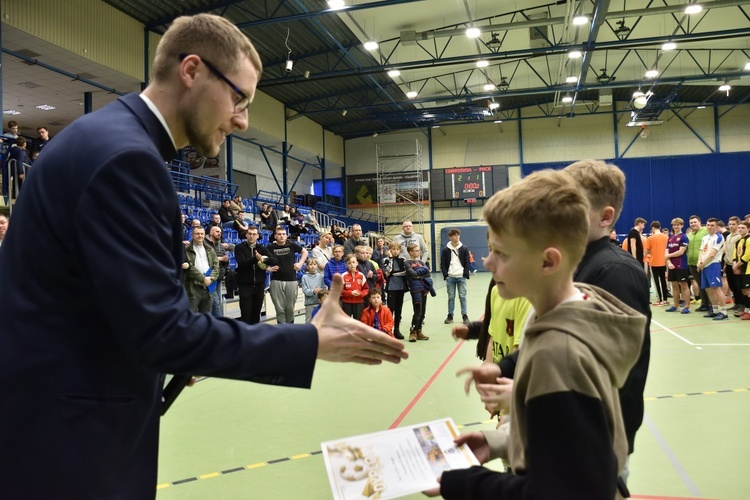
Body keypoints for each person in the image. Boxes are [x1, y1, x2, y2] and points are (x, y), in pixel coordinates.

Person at [0, 14, 407, 499]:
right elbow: (160, 333)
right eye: (239, 97)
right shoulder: (128, 161)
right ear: (191, 70)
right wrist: (308, 342)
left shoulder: (102, 139)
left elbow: (102, 312)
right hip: (69, 448)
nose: (242, 119)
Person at [438, 168, 646, 499]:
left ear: (548, 262)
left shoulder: (558, 351)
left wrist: (465, 484)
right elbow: (571, 441)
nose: (489, 263)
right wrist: (499, 441)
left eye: (501, 253)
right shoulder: (567, 314)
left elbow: (566, 491)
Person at [267, 225, 307, 324]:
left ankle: (290, 330)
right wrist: (268, 268)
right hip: (276, 281)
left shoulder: (292, 245)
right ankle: (281, 332)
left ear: (286, 236)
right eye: (279, 234)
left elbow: (305, 252)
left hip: (291, 280)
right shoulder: (270, 247)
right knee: (279, 310)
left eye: (284, 234)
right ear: (275, 236)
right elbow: (261, 259)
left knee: (290, 309)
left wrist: (300, 263)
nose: (281, 236)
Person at [234, 226, 273, 324]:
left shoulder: (262, 248)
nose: (251, 236)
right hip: (245, 286)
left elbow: (274, 260)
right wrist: (255, 259)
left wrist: (263, 260)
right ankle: (246, 337)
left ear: (258, 236)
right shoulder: (239, 247)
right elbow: (242, 263)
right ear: (246, 235)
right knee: (246, 315)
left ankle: (255, 337)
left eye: (254, 234)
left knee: (256, 316)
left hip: (259, 286)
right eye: (250, 234)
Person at [697, 218, 728, 320]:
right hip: (704, 266)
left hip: (713, 265)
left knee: (716, 288)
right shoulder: (705, 237)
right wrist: (699, 262)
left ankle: (724, 312)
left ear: (716, 227)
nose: (709, 227)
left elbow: (712, 254)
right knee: (708, 289)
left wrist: (702, 264)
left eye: (712, 225)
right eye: (708, 225)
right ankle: (715, 310)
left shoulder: (719, 238)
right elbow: (702, 251)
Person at [184, 226, 219, 313]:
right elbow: (190, 268)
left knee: (206, 318)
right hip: (193, 289)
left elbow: (216, 266)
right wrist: (203, 279)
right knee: (190, 318)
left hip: (208, 288)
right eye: (197, 234)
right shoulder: (186, 250)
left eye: (202, 234)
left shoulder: (210, 249)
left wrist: (211, 278)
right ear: (192, 235)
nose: (200, 236)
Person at [440, 228, 471, 324]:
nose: (457, 236)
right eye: (454, 235)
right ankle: (450, 315)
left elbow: (467, 262)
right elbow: (443, 263)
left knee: (463, 296)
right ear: (450, 237)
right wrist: (446, 275)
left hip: (461, 276)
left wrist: (465, 273)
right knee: (451, 297)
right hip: (450, 277)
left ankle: (465, 315)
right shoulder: (445, 250)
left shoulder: (464, 248)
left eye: (458, 235)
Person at [405, 243, 433, 342]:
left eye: (418, 250)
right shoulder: (407, 263)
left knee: (423, 311)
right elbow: (411, 273)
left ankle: (419, 331)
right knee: (418, 311)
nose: (418, 252)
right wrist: (421, 273)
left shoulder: (421, 262)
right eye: (416, 250)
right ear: (410, 252)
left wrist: (418, 275)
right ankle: (412, 332)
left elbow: (428, 272)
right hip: (415, 290)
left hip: (424, 289)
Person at [665, 217, 692, 314]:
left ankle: (687, 306)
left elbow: (681, 251)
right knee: (674, 285)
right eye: (674, 225)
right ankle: (675, 305)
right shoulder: (670, 238)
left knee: (684, 285)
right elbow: (666, 252)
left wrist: (668, 256)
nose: (676, 226)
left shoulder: (684, 237)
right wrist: (669, 263)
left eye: (678, 225)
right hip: (671, 266)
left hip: (681, 265)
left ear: (682, 225)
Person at [384, 241, 407, 340]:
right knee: (390, 309)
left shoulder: (403, 259)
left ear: (400, 250)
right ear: (390, 250)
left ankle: (397, 329)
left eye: (397, 249)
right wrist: (390, 259)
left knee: (399, 309)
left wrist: (395, 273)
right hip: (391, 287)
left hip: (401, 287)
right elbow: (388, 272)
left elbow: (405, 272)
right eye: (393, 249)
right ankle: (388, 329)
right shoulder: (386, 260)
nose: (395, 251)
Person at [205, 225, 230, 316]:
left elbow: (225, 262)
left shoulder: (221, 245)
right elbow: (205, 259)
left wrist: (226, 261)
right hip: (209, 277)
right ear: (211, 233)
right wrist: (220, 259)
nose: (219, 233)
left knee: (216, 302)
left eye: (220, 232)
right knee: (215, 304)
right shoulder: (204, 243)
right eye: (217, 231)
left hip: (219, 278)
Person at [687, 215, 710, 311]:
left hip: (705, 263)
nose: (693, 224)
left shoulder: (706, 231)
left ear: (700, 222)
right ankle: (704, 304)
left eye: (694, 222)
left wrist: (704, 260)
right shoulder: (689, 235)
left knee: (708, 285)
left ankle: (711, 305)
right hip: (692, 264)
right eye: (691, 223)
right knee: (700, 284)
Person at [646, 221, 669, 305]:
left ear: (652, 228)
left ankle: (659, 300)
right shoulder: (666, 237)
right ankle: (665, 299)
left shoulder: (650, 238)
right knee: (664, 280)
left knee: (656, 282)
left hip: (654, 262)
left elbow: (646, 251)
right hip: (664, 261)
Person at [341, 253, 368, 319]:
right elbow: (340, 290)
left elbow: (366, 289)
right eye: (349, 263)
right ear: (346, 265)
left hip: (359, 302)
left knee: (358, 321)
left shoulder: (361, 275)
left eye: (353, 262)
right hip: (347, 303)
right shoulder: (343, 275)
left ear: (357, 263)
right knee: (347, 322)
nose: (352, 264)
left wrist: (360, 293)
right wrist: (350, 293)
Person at [301, 259, 326, 323]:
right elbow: (305, 290)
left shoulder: (320, 276)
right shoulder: (304, 277)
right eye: (310, 264)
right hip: (309, 304)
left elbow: (324, 287)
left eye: (314, 264)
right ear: (307, 266)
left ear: (317, 266)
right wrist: (313, 291)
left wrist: (320, 290)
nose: (313, 266)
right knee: (309, 320)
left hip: (319, 303)